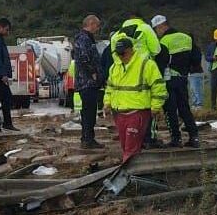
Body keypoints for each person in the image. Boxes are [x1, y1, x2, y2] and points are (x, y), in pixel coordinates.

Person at [104, 38, 167, 162]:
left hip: (138, 112)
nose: (121, 56)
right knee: (125, 146)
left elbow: (158, 86)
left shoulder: (146, 64)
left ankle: (128, 173)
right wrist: (107, 103)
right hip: (120, 113)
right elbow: (110, 87)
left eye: (123, 53)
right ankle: (132, 171)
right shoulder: (115, 67)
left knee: (131, 148)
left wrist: (156, 107)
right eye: (118, 54)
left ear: (131, 50)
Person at [152, 15, 200, 148]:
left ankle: (176, 138)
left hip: (169, 80)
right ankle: (194, 137)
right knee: (185, 108)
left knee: (170, 109)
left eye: (156, 29)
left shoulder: (164, 42)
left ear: (161, 26)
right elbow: (196, 58)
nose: (157, 32)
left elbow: (160, 63)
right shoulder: (187, 38)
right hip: (183, 78)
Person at [71, 14, 103, 149]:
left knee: (88, 111)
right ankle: (88, 139)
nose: (98, 28)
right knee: (89, 112)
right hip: (87, 82)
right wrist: (94, 73)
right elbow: (85, 58)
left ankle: (87, 137)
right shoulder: (84, 39)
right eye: (97, 25)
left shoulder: (85, 39)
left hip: (87, 81)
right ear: (91, 24)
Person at [187, 35, 204, 108]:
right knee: (192, 90)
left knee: (196, 89)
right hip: (190, 72)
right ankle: (194, 104)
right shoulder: (188, 49)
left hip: (196, 72)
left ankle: (198, 104)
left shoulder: (195, 49)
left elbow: (196, 61)